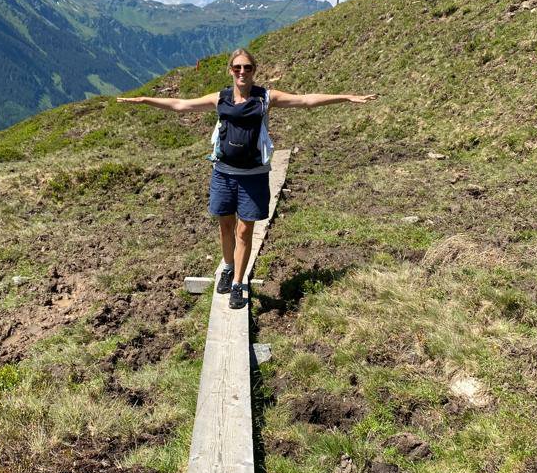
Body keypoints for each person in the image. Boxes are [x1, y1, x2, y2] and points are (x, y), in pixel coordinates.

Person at [117, 48, 376, 309]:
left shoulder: (266, 97)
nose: (242, 72)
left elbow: (306, 101)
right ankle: (228, 267)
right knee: (225, 227)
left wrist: (346, 97)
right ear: (230, 70)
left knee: (245, 230)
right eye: (237, 67)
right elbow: (181, 105)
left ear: (254, 70)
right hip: (223, 174)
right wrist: (144, 100)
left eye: (247, 67)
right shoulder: (221, 98)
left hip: (253, 176)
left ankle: (239, 283)